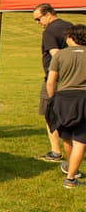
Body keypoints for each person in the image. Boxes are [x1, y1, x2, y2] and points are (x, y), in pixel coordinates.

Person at [45, 24, 86, 188]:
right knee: (81, 139)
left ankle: (72, 171)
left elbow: (51, 82)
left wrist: (52, 100)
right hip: (83, 99)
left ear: (72, 37)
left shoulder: (60, 55)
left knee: (67, 137)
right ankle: (71, 177)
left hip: (63, 99)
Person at [33, 3, 74, 164]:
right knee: (71, 115)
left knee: (49, 113)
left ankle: (56, 152)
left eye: (38, 19)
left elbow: (55, 54)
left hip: (55, 79)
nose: (38, 23)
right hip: (72, 79)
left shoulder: (49, 31)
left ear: (48, 14)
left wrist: (57, 74)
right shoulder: (70, 26)